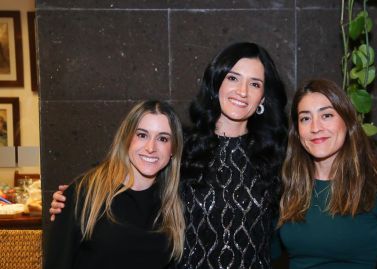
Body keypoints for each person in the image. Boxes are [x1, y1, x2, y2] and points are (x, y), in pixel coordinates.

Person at [49, 42, 289, 269]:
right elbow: (132, 167)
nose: (242, 91)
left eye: (255, 84)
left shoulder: (275, 156)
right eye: (233, 78)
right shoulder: (185, 147)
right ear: (217, 83)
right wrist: (75, 197)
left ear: (263, 97)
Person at [273, 79, 377, 269]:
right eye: (305, 118)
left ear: (347, 122)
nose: (315, 128)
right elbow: (266, 253)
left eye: (327, 115)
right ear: (297, 132)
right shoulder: (287, 185)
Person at [45, 100, 185, 269]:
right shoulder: (85, 193)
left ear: (173, 150)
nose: (151, 147)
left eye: (163, 139)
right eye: (142, 135)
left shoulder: (173, 203)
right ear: (126, 139)